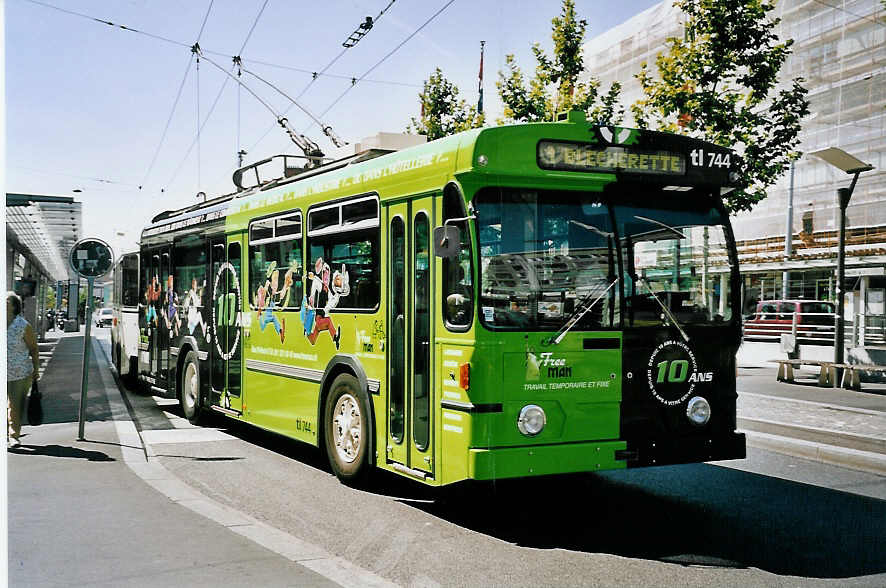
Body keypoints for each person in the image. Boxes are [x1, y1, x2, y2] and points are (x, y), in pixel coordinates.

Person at [7, 292, 39, 449]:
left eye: (6, 301)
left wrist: (36, 369)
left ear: (14, 306)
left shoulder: (22, 325)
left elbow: (33, 348)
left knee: (14, 406)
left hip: (19, 373)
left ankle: (13, 436)